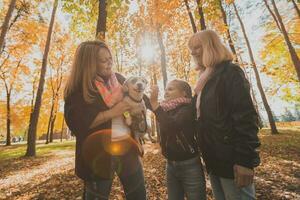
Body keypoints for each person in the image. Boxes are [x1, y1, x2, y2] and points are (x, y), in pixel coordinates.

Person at [64, 40, 147, 200]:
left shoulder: (119, 79)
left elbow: (141, 100)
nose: (110, 63)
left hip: (128, 150)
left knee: (138, 196)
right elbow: (78, 125)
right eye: (104, 60)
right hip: (98, 157)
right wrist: (113, 111)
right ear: (89, 64)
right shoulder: (77, 89)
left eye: (110, 58)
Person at [188, 30, 261, 200]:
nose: (192, 52)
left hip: (232, 161)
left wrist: (244, 161)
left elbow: (246, 118)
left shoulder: (230, 73)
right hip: (213, 161)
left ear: (211, 47)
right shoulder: (203, 81)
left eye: (197, 47)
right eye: (191, 49)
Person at [149, 79, 206, 200]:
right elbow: (149, 104)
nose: (166, 92)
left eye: (170, 89)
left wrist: (155, 105)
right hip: (171, 165)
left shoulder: (187, 109)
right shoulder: (166, 109)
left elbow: (172, 126)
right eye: (165, 89)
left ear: (184, 93)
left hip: (189, 165)